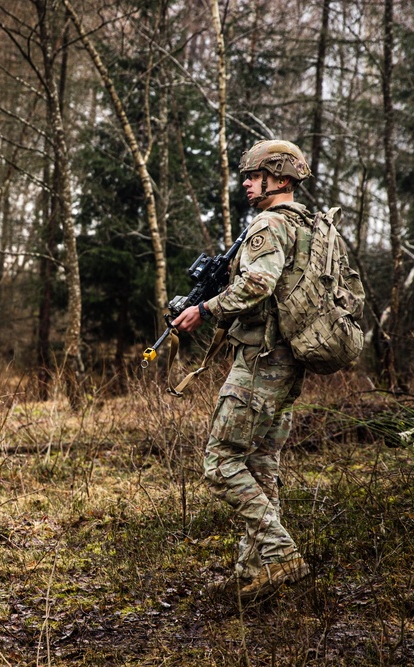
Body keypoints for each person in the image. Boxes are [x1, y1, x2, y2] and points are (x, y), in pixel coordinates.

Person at [172, 139, 314, 599]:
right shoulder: (309, 225)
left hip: (262, 360)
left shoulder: (270, 224)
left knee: (219, 464)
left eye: (255, 176)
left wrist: (205, 309)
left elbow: (258, 283)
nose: (248, 184)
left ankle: (281, 553)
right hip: (291, 359)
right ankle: (254, 572)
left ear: (280, 178)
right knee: (260, 465)